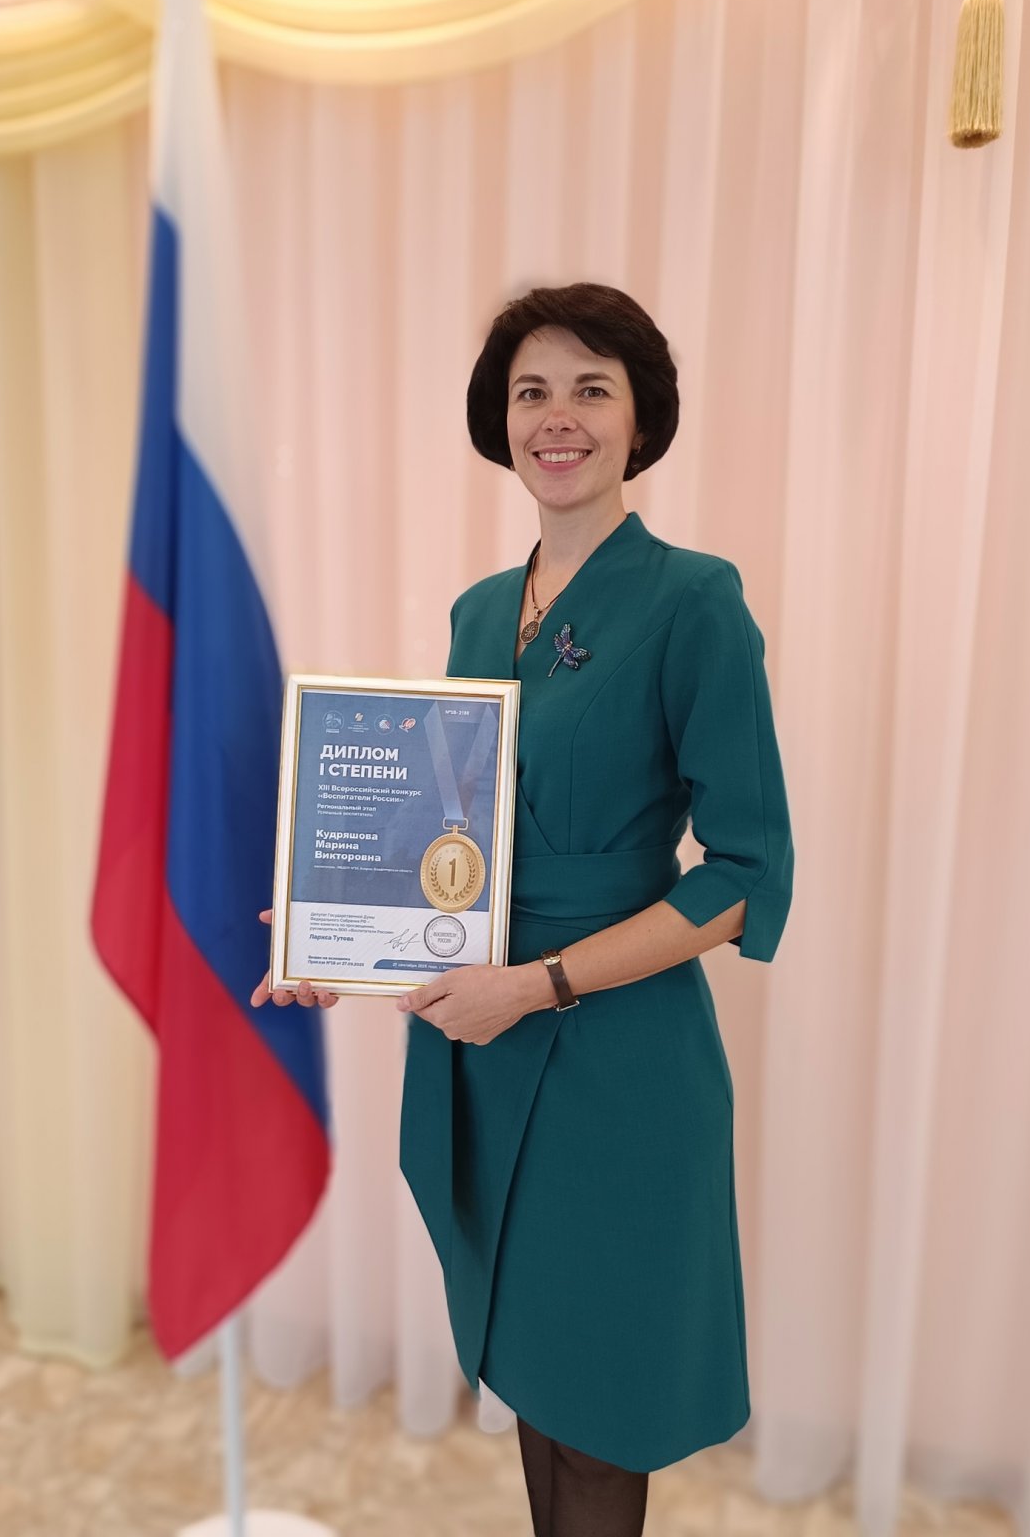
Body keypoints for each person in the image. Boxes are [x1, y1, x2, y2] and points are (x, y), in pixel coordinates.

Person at [253, 282, 794, 1537]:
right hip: (487, 1050)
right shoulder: (482, 610)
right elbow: (452, 843)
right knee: (541, 1395)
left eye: (591, 389)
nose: (559, 417)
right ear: (498, 423)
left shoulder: (694, 600)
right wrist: (332, 930)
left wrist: (539, 985)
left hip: (618, 1063)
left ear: (641, 419)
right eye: (531, 391)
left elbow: (743, 873)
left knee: (600, 1417)